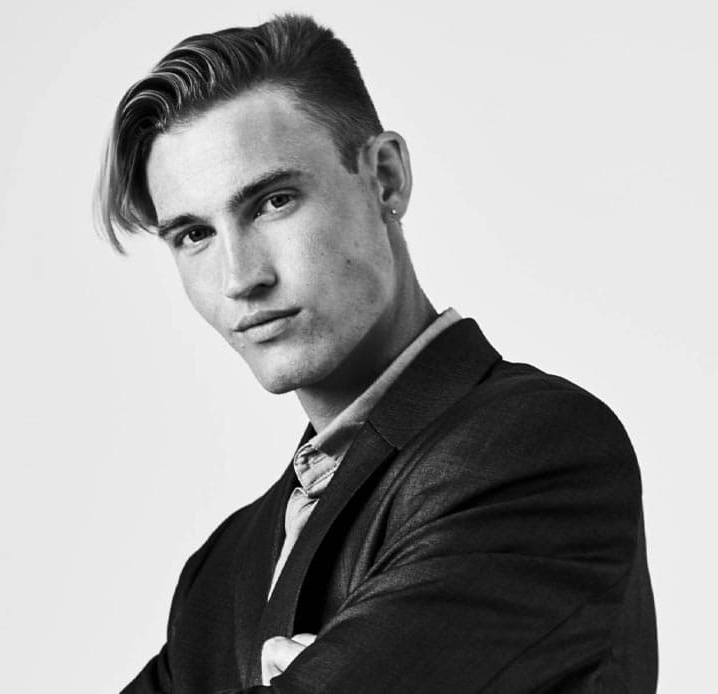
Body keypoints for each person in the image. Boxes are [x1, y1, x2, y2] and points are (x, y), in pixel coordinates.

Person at [96, 13, 657, 693]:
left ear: (385, 179)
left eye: (274, 201)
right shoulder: (221, 572)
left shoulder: (538, 448)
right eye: (193, 235)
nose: (240, 277)